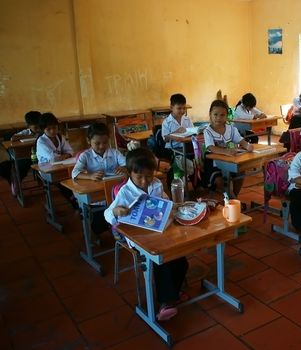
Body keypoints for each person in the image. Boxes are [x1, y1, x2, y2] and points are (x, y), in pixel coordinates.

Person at [104, 148, 189, 321]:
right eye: (139, 177)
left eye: (149, 176)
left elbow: (165, 202)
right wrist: (116, 211)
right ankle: (166, 303)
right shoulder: (125, 192)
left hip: (158, 232)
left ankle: (174, 292)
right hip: (137, 238)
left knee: (181, 261)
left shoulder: (156, 184)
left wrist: (172, 206)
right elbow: (107, 214)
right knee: (160, 260)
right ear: (129, 174)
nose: (145, 181)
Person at [72, 122, 127, 235]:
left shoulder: (114, 152)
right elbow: (75, 173)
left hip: (115, 192)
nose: (102, 146)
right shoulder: (85, 156)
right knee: (98, 227)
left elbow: (128, 165)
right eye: (97, 143)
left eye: (105, 142)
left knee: (121, 216)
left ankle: (118, 232)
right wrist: (90, 176)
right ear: (88, 141)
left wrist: (124, 168)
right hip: (97, 195)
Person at [203, 99, 253, 197]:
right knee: (220, 181)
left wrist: (247, 145)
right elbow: (211, 147)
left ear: (227, 116)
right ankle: (231, 198)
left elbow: (240, 140)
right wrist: (226, 151)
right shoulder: (208, 131)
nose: (218, 118)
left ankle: (234, 197)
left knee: (241, 171)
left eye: (222, 115)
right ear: (210, 114)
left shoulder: (231, 128)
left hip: (230, 160)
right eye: (215, 114)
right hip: (214, 163)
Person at [36, 112, 78, 209]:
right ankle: (74, 203)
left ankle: (77, 201)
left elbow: (70, 151)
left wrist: (64, 155)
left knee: (75, 176)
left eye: (54, 128)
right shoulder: (41, 141)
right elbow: (53, 158)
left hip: (62, 165)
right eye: (48, 129)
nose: (52, 131)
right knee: (64, 183)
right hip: (46, 170)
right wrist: (64, 155)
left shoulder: (59, 137)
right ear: (43, 130)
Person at [5, 111, 42, 194]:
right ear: (28, 126)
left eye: (39, 127)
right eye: (35, 128)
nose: (38, 130)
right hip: (26, 156)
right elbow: (13, 138)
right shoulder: (26, 132)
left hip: (40, 156)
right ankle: (16, 181)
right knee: (22, 167)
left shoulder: (44, 131)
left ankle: (43, 181)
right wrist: (32, 135)